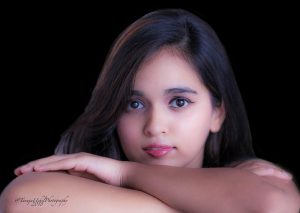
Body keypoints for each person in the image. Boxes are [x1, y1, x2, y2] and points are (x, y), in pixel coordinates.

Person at [1, 8, 299, 212]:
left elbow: (271, 205)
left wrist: (124, 174)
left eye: (179, 102)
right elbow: (23, 200)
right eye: (134, 104)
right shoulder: (83, 182)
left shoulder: (249, 176)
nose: (155, 126)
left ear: (217, 113)